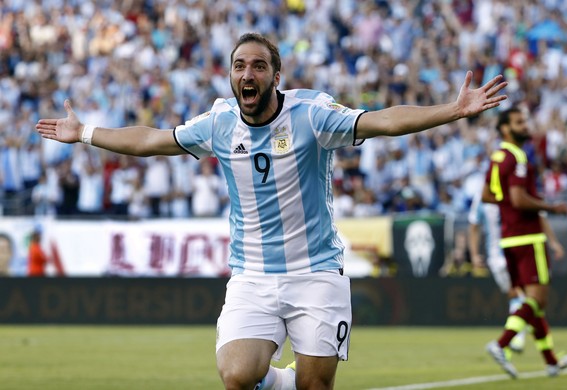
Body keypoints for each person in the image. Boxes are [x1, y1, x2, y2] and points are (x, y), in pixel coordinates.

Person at [36, 32, 508, 390]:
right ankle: (274, 378)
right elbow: (153, 140)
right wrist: (85, 132)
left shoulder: (311, 115)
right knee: (237, 376)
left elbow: (381, 121)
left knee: (313, 385)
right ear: (230, 76)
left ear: (275, 77)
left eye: (259, 66)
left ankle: (288, 379)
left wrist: (451, 109)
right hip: (253, 273)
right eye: (240, 66)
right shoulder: (219, 122)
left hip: (317, 271)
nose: (248, 74)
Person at [482, 107, 567, 378]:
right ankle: (502, 344)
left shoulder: (497, 157)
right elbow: (520, 199)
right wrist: (552, 207)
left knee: (533, 304)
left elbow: (487, 195)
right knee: (537, 299)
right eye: (519, 122)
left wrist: (509, 205)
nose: (526, 125)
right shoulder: (518, 157)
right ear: (505, 129)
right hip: (528, 236)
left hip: (509, 238)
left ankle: (551, 361)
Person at [468, 188, 527, 352]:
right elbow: (473, 226)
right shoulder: (513, 190)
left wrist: (474, 255)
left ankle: (512, 344)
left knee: (518, 296)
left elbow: (473, 226)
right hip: (510, 253)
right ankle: (514, 340)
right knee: (524, 296)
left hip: (496, 257)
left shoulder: (482, 194)